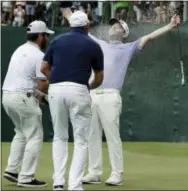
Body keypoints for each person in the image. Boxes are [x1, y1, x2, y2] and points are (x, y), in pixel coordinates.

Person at [63, 9, 180, 186]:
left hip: (111, 96)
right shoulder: (99, 44)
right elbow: (79, 25)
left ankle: (116, 174)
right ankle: (94, 172)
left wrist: (170, 25)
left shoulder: (128, 47)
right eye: (112, 25)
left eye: (117, 26)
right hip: (92, 95)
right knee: (92, 135)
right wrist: (65, 9)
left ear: (123, 33)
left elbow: (150, 37)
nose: (112, 28)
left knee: (112, 136)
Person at [41, 10, 104, 191]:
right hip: (79, 90)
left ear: (69, 25)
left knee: (60, 136)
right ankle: (74, 185)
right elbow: (99, 76)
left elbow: (44, 67)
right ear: (87, 26)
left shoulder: (57, 40)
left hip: (56, 90)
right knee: (81, 140)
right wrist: (89, 87)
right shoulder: (93, 45)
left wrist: (55, 80)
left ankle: (58, 183)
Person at [2, 20, 54, 188]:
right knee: (35, 135)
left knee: (21, 132)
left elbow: (25, 80)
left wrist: (39, 95)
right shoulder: (38, 55)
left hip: (8, 96)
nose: (47, 38)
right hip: (23, 97)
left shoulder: (20, 50)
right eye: (45, 35)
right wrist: (42, 96)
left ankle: (12, 169)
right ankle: (26, 177)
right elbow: (43, 81)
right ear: (40, 36)